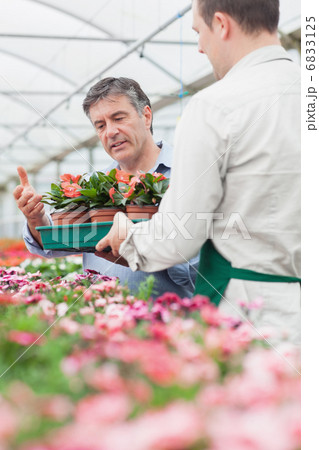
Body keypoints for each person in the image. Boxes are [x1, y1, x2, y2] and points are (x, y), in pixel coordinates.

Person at [97, 0, 301, 344]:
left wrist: (129, 239)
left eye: (198, 32)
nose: (200, 46)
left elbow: (180, 237)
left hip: (250, 316)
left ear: (221, 24)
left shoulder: (215, 106)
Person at [14, 77, 198, 298]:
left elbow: (205, 271)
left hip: (165, 325)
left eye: (118, 118)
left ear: (146, 116)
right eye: (100, 125)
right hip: (101, 323)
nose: (110, 132)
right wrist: (37, 219)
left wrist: (143, 249)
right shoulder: (93, 186)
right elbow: (55, 242)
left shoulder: (189, 174)